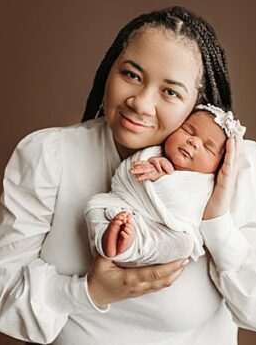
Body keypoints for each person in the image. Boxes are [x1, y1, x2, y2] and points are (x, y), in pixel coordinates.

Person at [0, 6, 256, 344]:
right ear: (109, 70)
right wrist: (91, 291)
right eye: (131, 75)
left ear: (199, 103)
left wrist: (217, 221)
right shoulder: (50, 155)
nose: (141, 103)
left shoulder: (235, 165)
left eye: (171, 91)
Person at [86, 105, 243, 267]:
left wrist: (165, 179)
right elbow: (130, 173)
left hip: (162, 232)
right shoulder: (154, 154)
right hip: (123, 207)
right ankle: (106, 239)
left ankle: (129, 245)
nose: (194, 142)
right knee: (96, 204)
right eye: (188, 130)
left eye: (208, 148)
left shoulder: (205, 183)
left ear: (219, 165)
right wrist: (154, 166)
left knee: (184, 244)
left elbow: (187, 212)